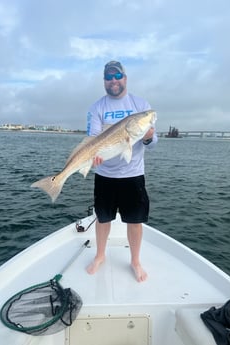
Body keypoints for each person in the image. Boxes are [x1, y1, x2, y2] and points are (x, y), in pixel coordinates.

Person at [86, 61, 157, 282]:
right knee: (103, 218)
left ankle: (135, 261)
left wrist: (147, 137)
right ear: (105, 81)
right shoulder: (97, 108)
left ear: (125, 78)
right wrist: (93, 157)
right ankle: (100, 256)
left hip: (133, 175)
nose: (113, 80)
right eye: (109, 77)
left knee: (134, 221)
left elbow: (153, 143)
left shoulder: (140, 104)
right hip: (105, 174)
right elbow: (93, 140)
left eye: (117, 76)